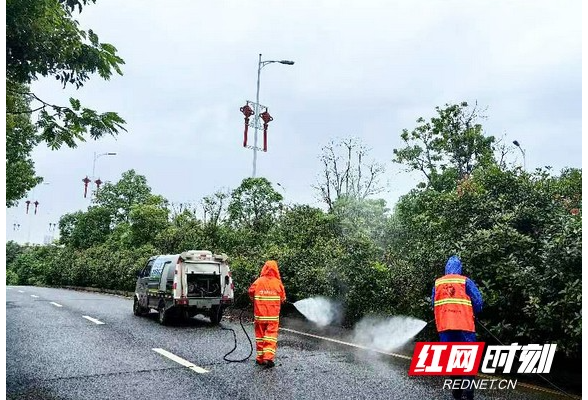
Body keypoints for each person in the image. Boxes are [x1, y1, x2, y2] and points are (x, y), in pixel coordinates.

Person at [431, 255, 483, 400]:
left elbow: (433, 303)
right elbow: (478, 301)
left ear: (446, 268)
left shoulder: (438, 283)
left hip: (445, 327)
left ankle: (456, 392)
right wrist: (475, 313)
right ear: (459, 268)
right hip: (464, 326)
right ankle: (469, 392)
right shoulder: (465, 281)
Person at [248, 260, 286, 368]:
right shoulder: (278, 283)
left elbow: (251, 291)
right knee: (271, 336)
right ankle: (268, 357)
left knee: (260, 336)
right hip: (273, 317)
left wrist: (254, 298)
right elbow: (283, 298)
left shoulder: (259, 281)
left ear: (264, 268)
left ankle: (260, 358)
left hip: (260, 315)